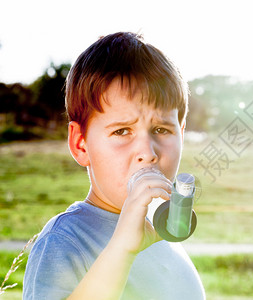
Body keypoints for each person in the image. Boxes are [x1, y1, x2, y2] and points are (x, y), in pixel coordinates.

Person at [23, 32, 206, 300]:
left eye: (161, 129)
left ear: (181, 133)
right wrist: (122, 249)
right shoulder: (64, 240)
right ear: (81, 144)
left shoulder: (160, 234)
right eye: (122, 131)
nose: (147, 152)